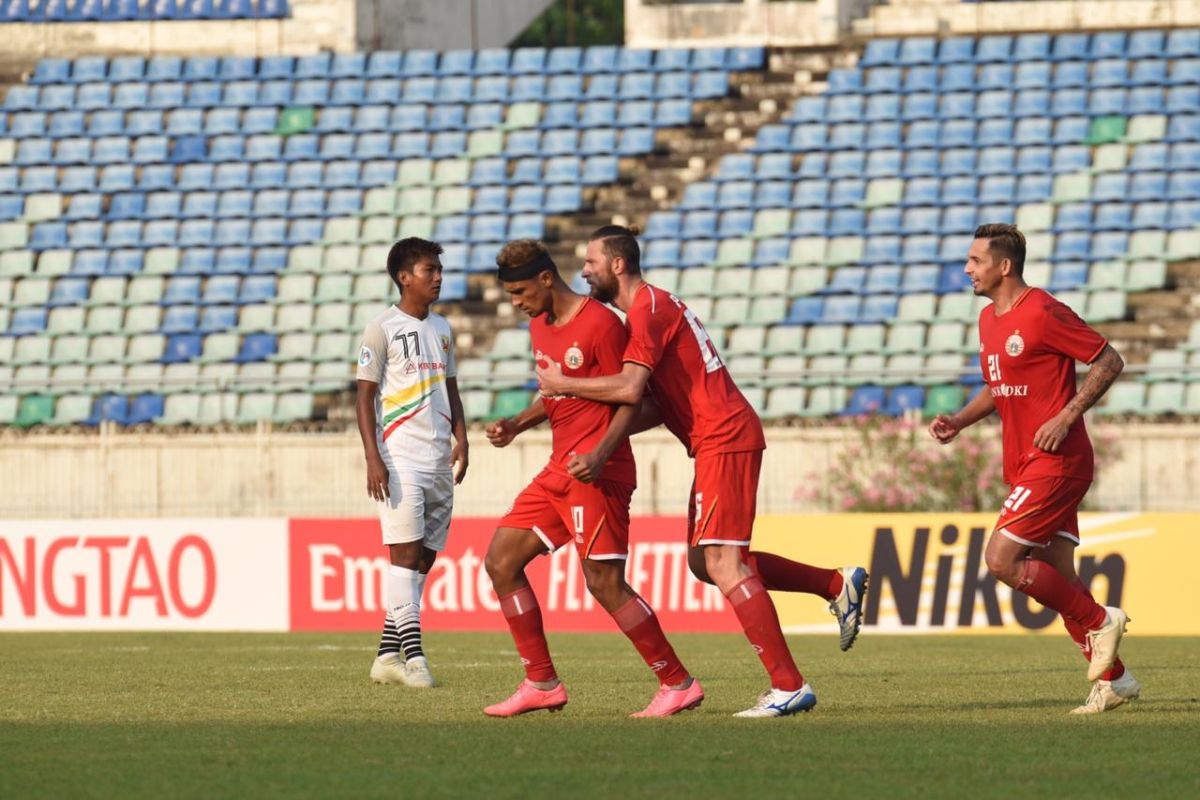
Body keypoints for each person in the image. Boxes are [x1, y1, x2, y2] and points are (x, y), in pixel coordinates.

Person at [536, 225, 869, 718]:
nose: (584, 271)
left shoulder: (648, 309)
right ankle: (834, 585)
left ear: (618, 265)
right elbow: (651, 404)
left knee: (723, 563)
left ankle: (789, 685)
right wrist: (601, 438)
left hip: (724, 438)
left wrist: (565, 384)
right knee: (703, 561)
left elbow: (629, 389)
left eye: (591, 262)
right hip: (714, 441)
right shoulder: (647, 310)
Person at [482, 239, 703, 718]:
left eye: (520, 292)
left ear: (546, 278)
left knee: (602, 581)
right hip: (560, 468)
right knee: (500, 561)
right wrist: (517, 423)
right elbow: (560, 393)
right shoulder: (540, 326)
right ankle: (541, 682)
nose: (516, 303)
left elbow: (635, 398)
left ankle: (677, 682)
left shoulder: (602, 324)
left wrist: (601, 453)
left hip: (600, 471)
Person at [929, 223, 1137, 714]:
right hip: (1024, 462)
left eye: (975, 261)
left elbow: (1110, 360)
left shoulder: (1042, 310)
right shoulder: (987, 320)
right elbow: (997, 386)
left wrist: (1067, 416)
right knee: (1056, 574)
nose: (966, 269)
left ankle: (1100, 620)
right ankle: (1115, 680)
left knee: (1001, 559)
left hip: (1058, 460)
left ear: (1004, 266)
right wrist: (959, 420)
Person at [357, 237, 468, 689]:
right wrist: (373, 457)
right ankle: (415, 659)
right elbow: (364, 396)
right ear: (405, 277)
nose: (438, 276)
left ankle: (386, 655)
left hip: (440, 457)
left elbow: (452, 386)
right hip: (400, 458)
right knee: (403, 556)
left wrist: (462, 437)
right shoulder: (381, 327)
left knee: (423, 559)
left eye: (439, 269)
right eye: (429, 270)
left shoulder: (442, 328)